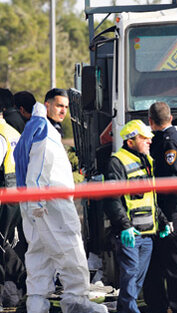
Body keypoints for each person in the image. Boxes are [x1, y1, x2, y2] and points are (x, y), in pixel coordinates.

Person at [13, 88, 108, 313]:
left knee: (39, 259)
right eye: (58, 105)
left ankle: (36, 306)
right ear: (47, 105)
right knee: (72, 253)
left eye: (65, 106)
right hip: (50, 204)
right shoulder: (44, 130)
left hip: (34, 204)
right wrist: (38, 202)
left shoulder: (33, 127)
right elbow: (39, 167)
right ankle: (78, 304)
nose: (63, 110)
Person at [105, 119, 171, 313]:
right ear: (130, 141)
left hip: (147, 234)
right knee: (130, 277)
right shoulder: (117, 162)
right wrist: (124, 226)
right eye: (144, 138)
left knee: (134, 282)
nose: (149, 141)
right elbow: (112, 199)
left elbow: (149, 199)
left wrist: (163, 220)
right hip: (129, 234)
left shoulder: (146, 161)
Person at [144, 101, 177, 313]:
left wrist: (171, 218)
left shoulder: (170, 143)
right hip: (162, 212)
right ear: (170, 117)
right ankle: (159, 306)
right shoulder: (164, 140)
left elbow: (176, 182)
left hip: (171, 212)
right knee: (156, 264)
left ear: (150, 121)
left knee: (175, 264)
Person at [0, 97, 25, 308]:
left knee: (2, 247)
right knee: (5, 245)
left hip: (4, 198)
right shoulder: (12, 132)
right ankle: (19, 288)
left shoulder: (0, 134)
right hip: (15, 196)